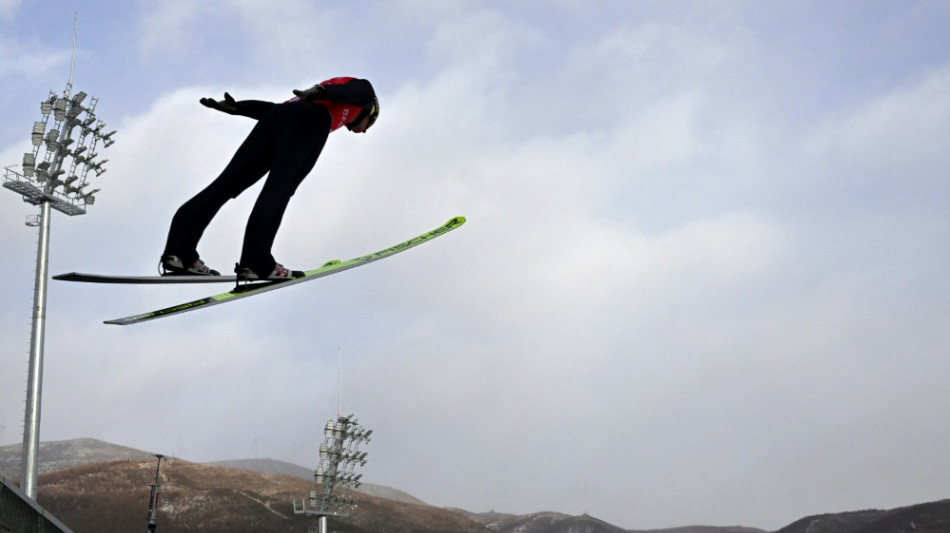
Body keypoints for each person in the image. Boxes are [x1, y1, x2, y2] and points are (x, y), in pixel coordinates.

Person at [160, 77, 379, 280]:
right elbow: (352, 91)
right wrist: (322, 91)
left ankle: (179, 253)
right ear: (370, 109)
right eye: (370, 123)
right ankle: (256, 263)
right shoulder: (363, 91)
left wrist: (240, 107)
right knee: (277, 192)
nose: (364, 130)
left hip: (278, 117)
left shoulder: (321, 101)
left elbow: (278, 111)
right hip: (310, 121)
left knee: (225, 185)